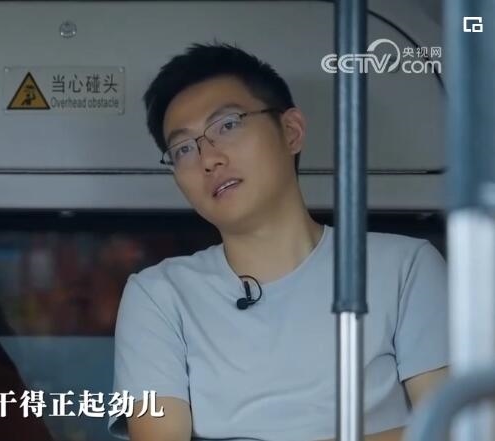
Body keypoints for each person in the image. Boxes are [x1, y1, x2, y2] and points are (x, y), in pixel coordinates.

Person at [110, 43, 449, 441]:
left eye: (228, 125)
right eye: (183, 148)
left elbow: (456, 429)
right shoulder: (156, 295)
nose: (208, 159)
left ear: (291, 131)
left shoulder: (406, 268)